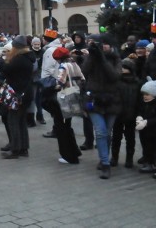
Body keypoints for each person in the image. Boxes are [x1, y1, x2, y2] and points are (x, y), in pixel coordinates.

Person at [81, 35, 122, 179]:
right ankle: (105, 164)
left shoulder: (116, 59)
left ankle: (103, 157)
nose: (103, 47)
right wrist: (93, 55)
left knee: (107, 133)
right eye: (101, 44)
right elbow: (83, 72)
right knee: (100, 132)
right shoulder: (91, 57)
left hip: (112, 100)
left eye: (105, 44)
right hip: (94, 100)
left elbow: (114, 76)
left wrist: (102, 58)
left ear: (110, 46)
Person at [0, 35, 35, 159]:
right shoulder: (28, 57)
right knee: (21, 121)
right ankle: (23, 148)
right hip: (25, 93)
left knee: (14, 121)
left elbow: (7, 70)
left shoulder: (19, 59)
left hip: (17, 94)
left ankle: (15, 149)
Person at [46, 47, 84, 164]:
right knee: (68, 126)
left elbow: (60, 82)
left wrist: (53, 86)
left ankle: (69, 155)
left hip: (64, 99)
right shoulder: (74, 64)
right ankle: (75, 151)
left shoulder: (63, 66)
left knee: (62, 127)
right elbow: (82, 78)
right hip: (74, 96)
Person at [110, 58, 141, 168]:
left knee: (130, 138)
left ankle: (129, 159)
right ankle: (114, 157)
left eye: (124, 67)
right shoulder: (117, 81)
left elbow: (139, 100)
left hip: (131, 114)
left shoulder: (137, 83)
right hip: (119, 113)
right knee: (116, 137)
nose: (122, 69)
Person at [136, 79, 156, 175]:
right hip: (144, 130)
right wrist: (139, 117)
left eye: (147, 95)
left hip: (153, 130)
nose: (145, 97)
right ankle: (147, 160)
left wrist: (146, 122)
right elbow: (140, 110)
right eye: (144, 94)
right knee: (145, 145)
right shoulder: (144, 103)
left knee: (152, 147)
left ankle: (152, 163)